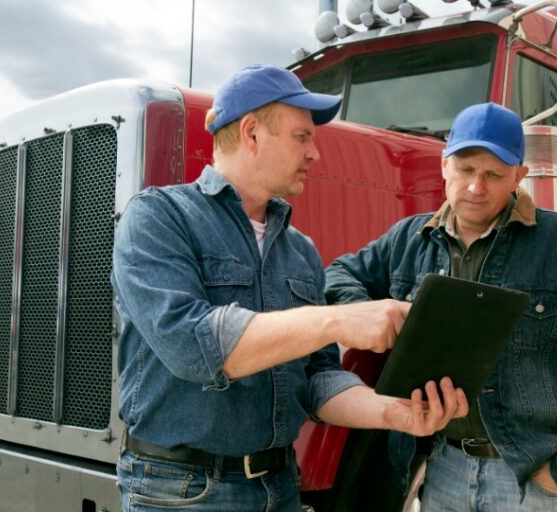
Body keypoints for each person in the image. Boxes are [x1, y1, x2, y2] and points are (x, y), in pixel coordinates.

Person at [111, 64, 468, 512]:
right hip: (182, 492)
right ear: (252, 133)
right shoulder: (159, 218)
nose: (315, 153)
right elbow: (193, 346)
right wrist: (338, 319)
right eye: (302, 137)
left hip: (279, 487)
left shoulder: (298, 250)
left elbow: (315, 379)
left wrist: (392, 413)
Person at [324, 102, 557, 511]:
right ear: (444, 166)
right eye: (465, 169)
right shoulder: (407, 240)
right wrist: (372, 313)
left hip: (535, 479)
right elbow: (337, 275)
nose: (477, 187)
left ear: (519, 176)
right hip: (442, 471)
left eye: (493, 174)